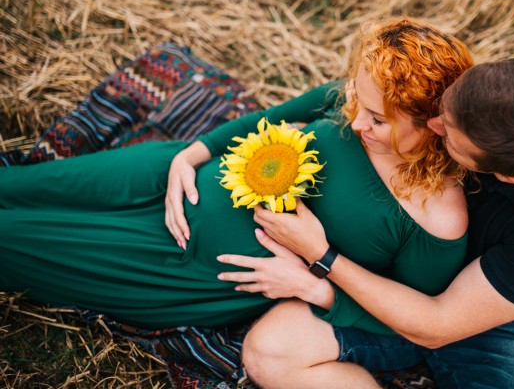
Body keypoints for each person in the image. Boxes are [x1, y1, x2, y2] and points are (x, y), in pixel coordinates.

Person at [0, 18, 474, 336]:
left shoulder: (437, 217)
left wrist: (317, 282)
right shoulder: (359, 99)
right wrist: (191, 155)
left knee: (10, 240)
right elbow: (266, 119)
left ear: (433, 125)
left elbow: (411, 322)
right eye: (356, 101)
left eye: (377, 119)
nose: (355, 123)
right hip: (176, 177)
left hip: (184, 265)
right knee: (16, 186)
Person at [216, 58, 514, 388]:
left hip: (473, 318)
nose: (432, 125)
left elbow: (438, 324)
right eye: (442, 112)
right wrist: (203, 148)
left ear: (504, 176)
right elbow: (360, 93)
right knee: (269, 352)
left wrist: (321, 259)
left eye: (449, 135)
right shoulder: (476, 99)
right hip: (386, 272)